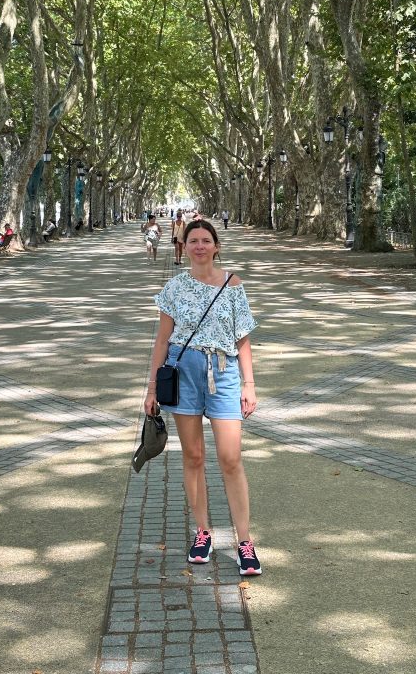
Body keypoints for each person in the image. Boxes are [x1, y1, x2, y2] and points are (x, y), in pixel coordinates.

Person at [144, 219, 262, 576]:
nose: (199, 246)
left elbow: (242, 338)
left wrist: (249, 384)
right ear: (184, 245)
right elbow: (162, 340)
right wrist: (151, 388)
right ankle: (203, 532)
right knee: (193, 456)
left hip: (223, 373)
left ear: (215, 246)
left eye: (205, 240)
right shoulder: (175, 287)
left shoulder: (232, 284)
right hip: (184, 374)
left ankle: (245, 541)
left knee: (230, 458)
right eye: (192, 240)